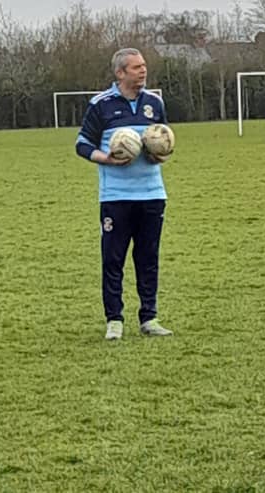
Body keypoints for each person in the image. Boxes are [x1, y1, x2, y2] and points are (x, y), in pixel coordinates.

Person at [75, 48, 173, 340]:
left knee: (148, 258)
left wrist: (160, 156)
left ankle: (149, 318)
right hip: (116, 197)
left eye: (144, 66)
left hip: (152, 193)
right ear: (120, 73)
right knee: (113, 258)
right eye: (136, 67)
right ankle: (114, 320)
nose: (143, 71)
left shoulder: (154, 103)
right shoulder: (100, 105)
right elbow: (81, 145)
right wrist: (106, 159)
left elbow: (164, 140)